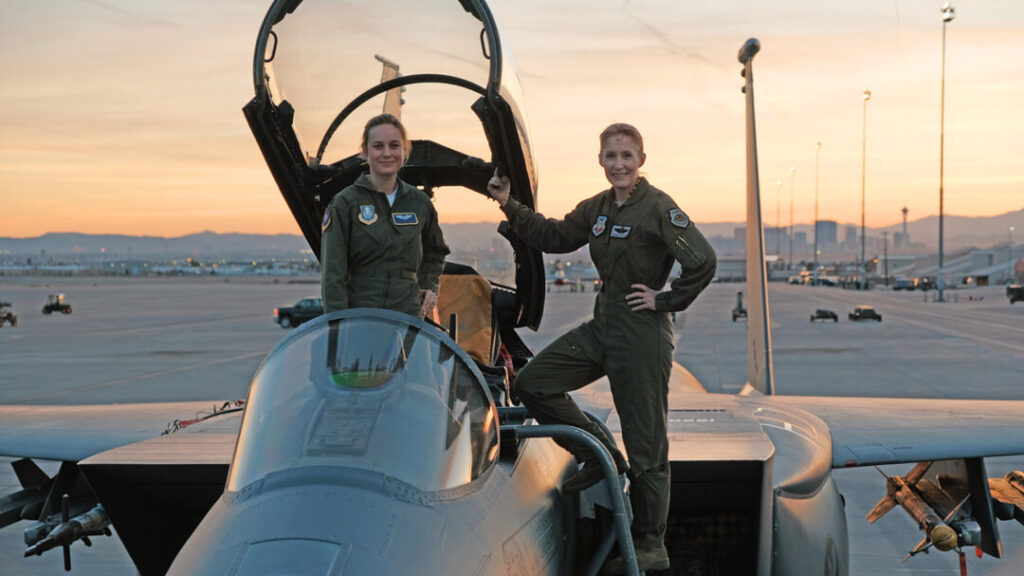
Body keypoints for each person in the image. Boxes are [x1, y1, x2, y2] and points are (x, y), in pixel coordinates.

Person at [486, 123, 716, 574]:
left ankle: (650, 542)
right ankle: (598, 452)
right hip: (602, 326)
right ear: (600, 161)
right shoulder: (598, 207)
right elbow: (554, 236)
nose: (619, 164)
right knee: (534, 382)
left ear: (641, 160)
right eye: (611, 156)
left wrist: (664, 299)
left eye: (627, 156)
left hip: (642, 337)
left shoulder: (659, 207)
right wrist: (507, 203)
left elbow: (702, 261)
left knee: (647, 446)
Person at [321, 113, 450, 318]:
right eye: (378, 146)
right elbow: (333, 276)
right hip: (361, 318)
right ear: (365, 151)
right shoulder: (345, 204)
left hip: (409, 318)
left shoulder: (419, 203)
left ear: (405, 150)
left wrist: (428, 286)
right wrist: (340, 328)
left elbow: (435, 253)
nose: (387, 153)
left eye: (394, 145)